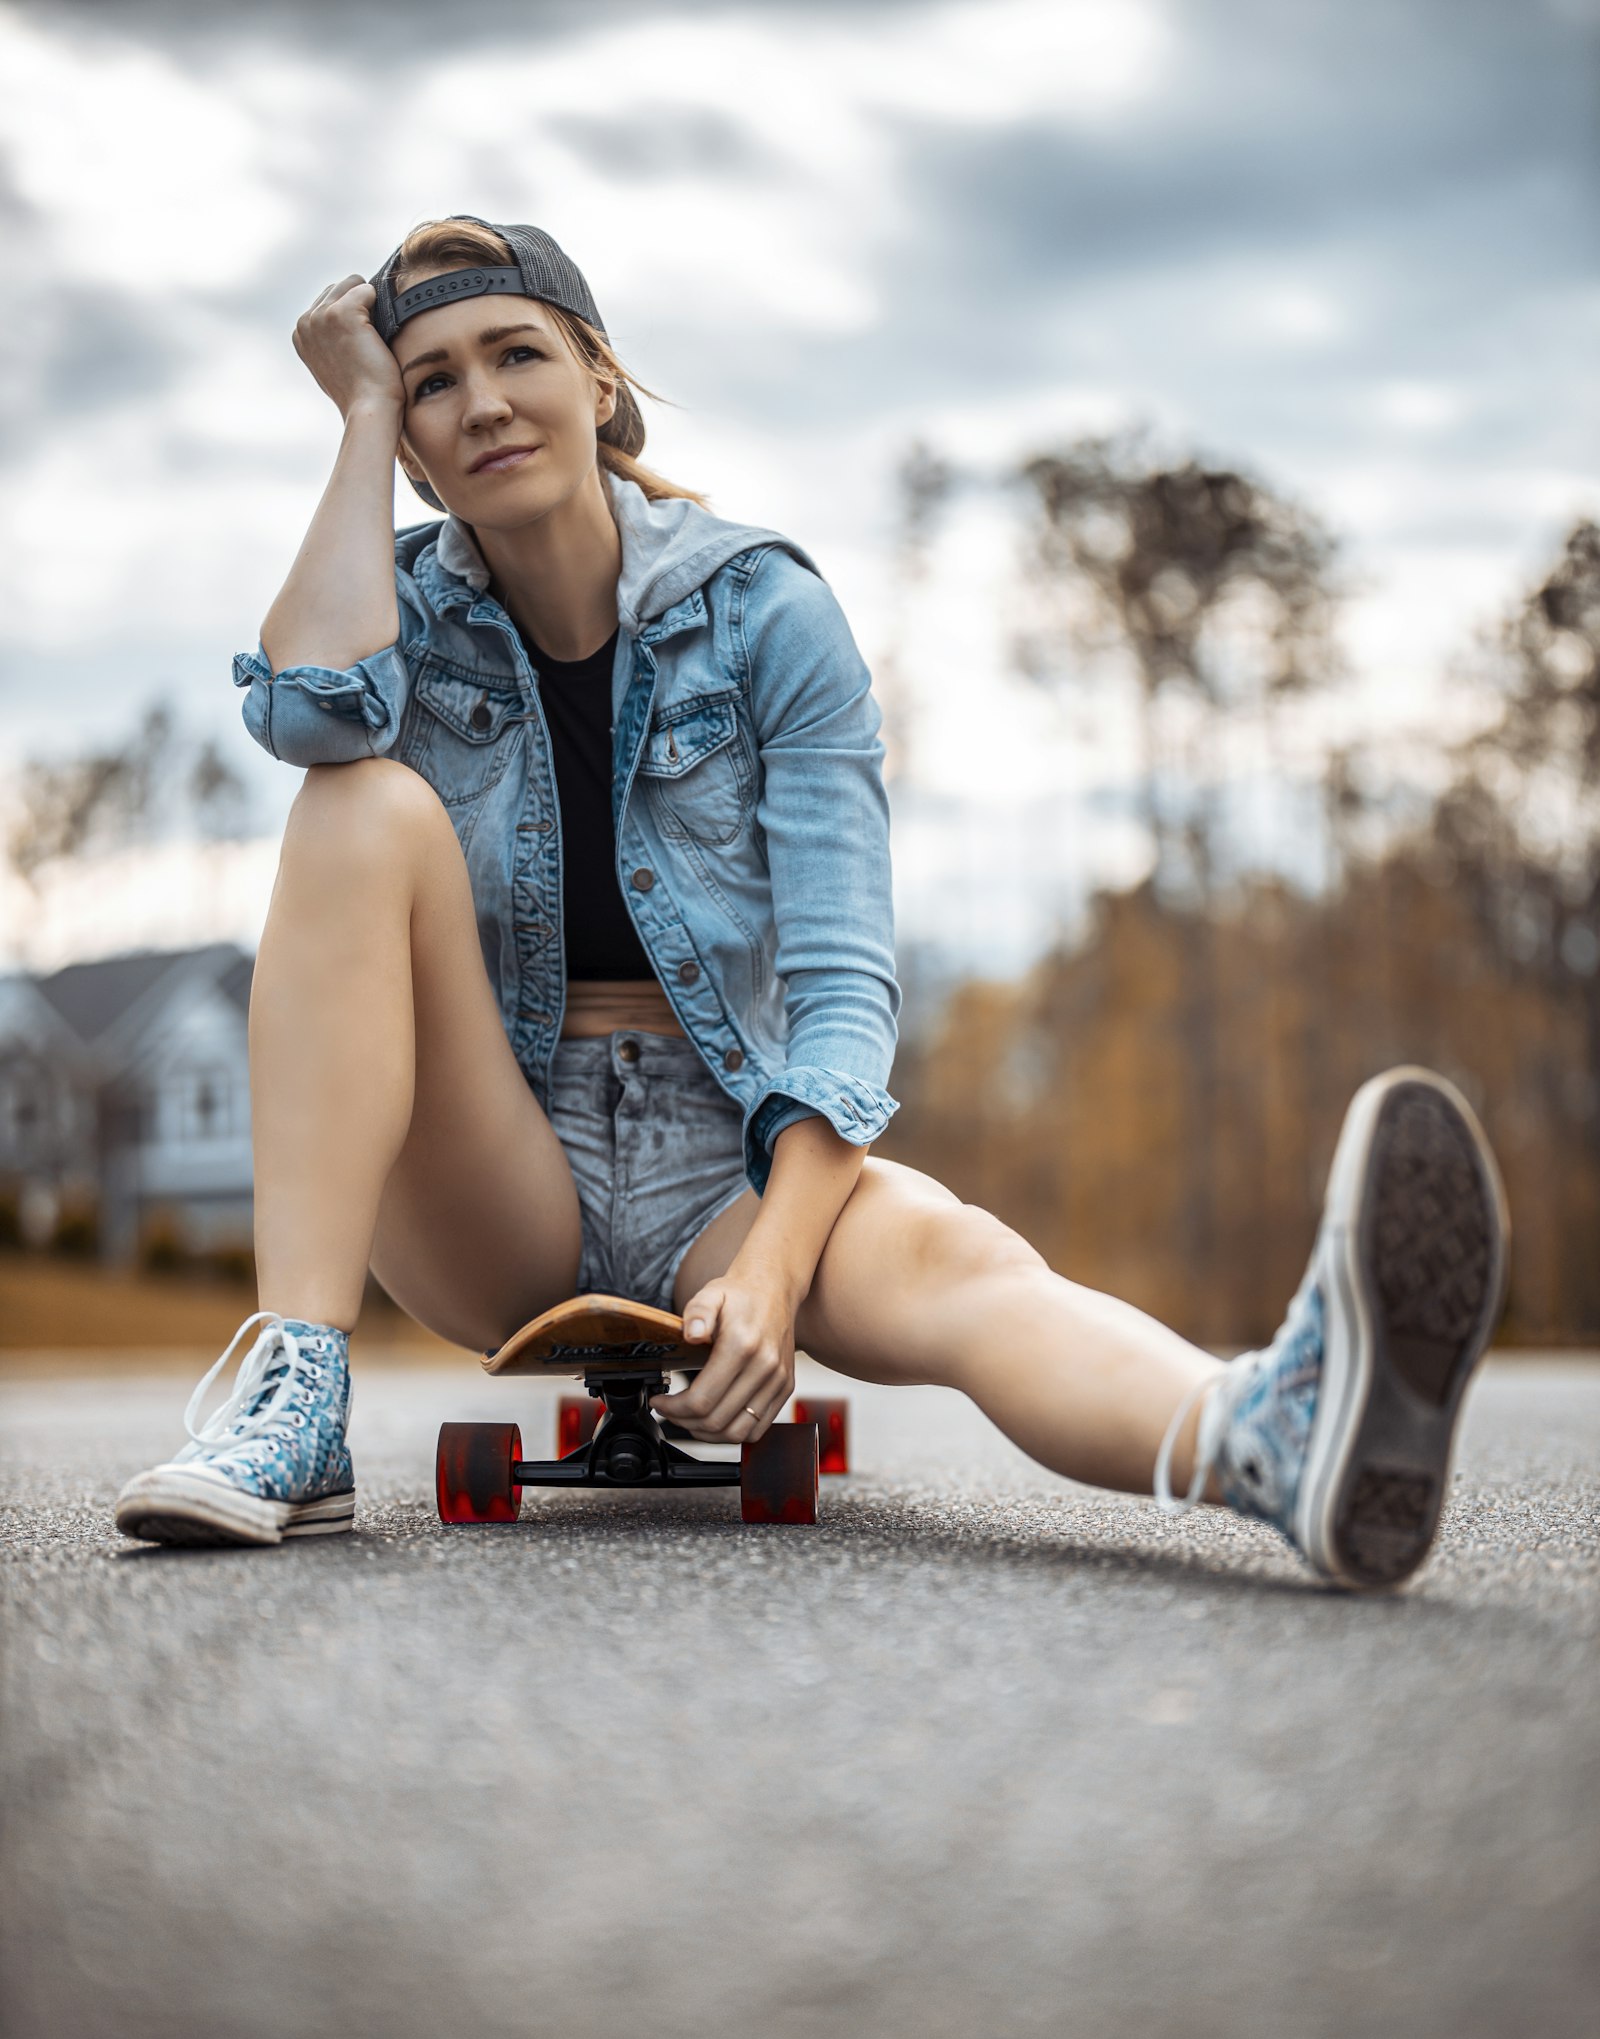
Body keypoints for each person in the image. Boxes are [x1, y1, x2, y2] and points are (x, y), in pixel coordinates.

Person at [114, 216, 1509, 1588]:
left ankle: (1274, 1440)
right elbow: (308, 714)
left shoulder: (766, 614)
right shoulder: (401, 617)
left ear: (599, 381)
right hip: (495, 1173)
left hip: (733, 1160)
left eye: (515, 354)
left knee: (962, 1261)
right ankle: (293, 1402)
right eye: (432, 383)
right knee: (356, 798)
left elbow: (844, 991)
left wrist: (777, 1268)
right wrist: (359, 412)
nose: (481, 402)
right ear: (410, 444)